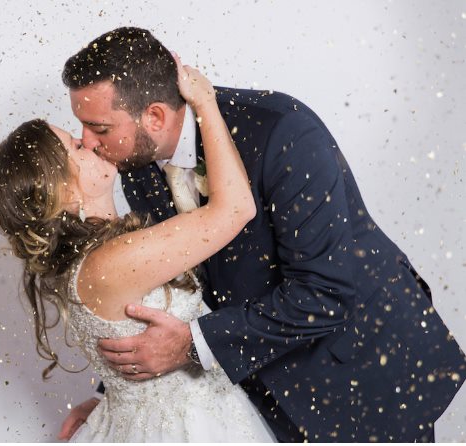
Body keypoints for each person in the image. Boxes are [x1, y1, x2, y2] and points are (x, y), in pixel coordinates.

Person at [59, 26, 466, 442]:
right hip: (257, 382)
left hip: (362, 368)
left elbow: (325, 290)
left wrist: (191, 345)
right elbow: (166, 289)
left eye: (100, 128)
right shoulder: (136, 164)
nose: (87, 142)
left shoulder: (282, 132)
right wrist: (123, 398)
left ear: (155, 116)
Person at [0, 61, 275, 442]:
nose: (89, 141)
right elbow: (235, 210)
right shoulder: (112, 261)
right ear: (65, 193)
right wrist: (205, 104)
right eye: (75, 145)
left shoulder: (94, 259)